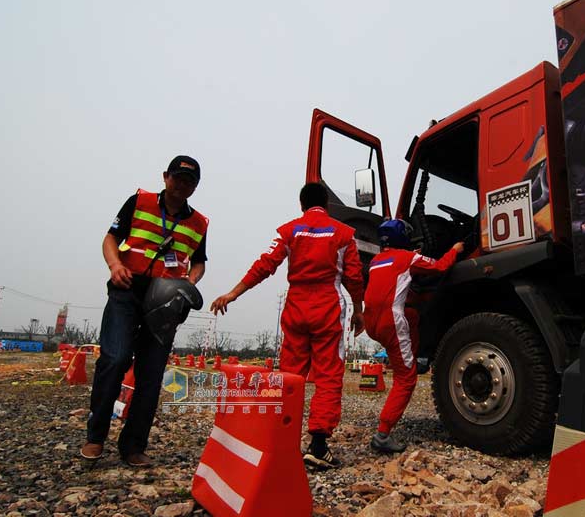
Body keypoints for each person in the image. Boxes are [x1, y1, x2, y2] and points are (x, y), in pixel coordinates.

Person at [210, 182, 364, 469]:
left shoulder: (289, 230)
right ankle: (318, 446)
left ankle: (279, 440)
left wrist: (233, 293)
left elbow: (265, 264)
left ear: (301, 206)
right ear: (327, 206)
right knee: (328, 375)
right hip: (328, 308)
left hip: (295, 308)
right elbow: (354, 277)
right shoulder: (344, 234)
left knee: (289, 375)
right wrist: (358, 310)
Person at [81, 155, 209, 467]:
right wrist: (114, 265)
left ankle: (134, 447)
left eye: (189, 181)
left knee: (151, 375)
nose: (182, 185)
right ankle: (95, 436)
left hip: (165, 303)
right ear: (166, 177)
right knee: (115, 358)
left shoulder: (199, 223)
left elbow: (199, 262)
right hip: (127, 290)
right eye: (178, 178)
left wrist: (187, 285)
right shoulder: (139, 202)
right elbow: (111, 238)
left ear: (196, 187)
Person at [364, 219, 462, 453]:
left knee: (412, 314)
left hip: (372, 323)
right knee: (406, 379)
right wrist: (455, 250)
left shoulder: (376, 261)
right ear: (403, 238)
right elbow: (439, 267)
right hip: (391, 322)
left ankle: (415, 358)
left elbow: (394, 276)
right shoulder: (409, 258)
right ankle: (383, 434)